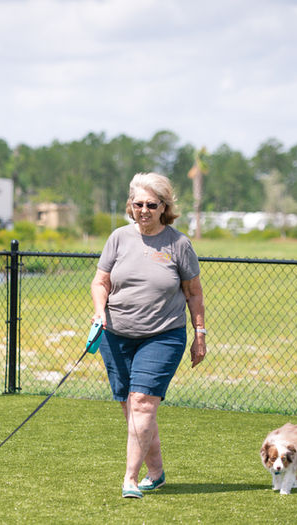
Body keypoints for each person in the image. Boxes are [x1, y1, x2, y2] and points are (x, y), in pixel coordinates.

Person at [90, 172, 207, 499]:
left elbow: (194, 293)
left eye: (151, 205)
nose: (144, 210)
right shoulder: (118, 239)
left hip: (162, 336)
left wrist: (200, 333)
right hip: (115, 335)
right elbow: (101, 282)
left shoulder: (179, 244)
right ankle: (155, 473)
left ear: (164, 207)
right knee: (134, 409)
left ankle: (130, 479)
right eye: (138, 204)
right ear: (131, 205)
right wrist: (100, 310)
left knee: (142, 404)